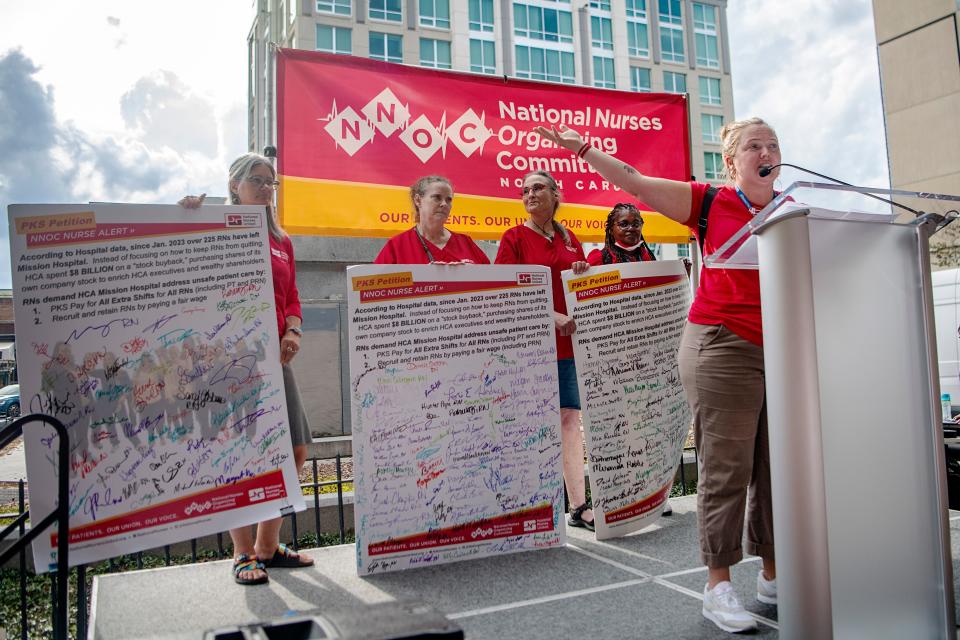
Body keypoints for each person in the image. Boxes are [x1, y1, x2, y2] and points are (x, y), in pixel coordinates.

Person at [536, 118, 779, 633]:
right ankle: (719, 586)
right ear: (732, 163)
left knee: (773, 467)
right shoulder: (711, 202)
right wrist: (582, 148)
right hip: (722, 345)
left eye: (773, 145)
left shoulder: (791, 210)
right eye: (754, 145)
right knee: (728, 467)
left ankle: (772, 577)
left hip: (780, 347)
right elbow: (636, 183)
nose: (767, 152)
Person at [180, 153, 315, 585]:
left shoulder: (282, 240)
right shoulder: (211, 227)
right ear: (234, 184)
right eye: (257, 180)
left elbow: (292, 294)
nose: (265, 188)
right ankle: (242, 554)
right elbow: (177, 261)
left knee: (294, 449)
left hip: (273, 358)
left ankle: (268, 547)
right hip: (226, 360)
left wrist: (293, 328)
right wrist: (185, 217)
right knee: (238, 453)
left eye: (271, 182)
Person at [494, 170, 594, 531]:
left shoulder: (571, 239)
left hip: (568, 346)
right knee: (531, 425)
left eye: (537, 188)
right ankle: (532, 506)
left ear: (555, 194)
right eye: (524, 190)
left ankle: (579, 506)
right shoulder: (514, 238)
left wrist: (581, 271)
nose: (529, 193)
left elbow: (576, 285)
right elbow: (506, 289)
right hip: (529, 348)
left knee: (569, 420)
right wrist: (549, 315)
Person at [374, 175, 489, 264]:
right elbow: (374, 288)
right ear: (418, 200)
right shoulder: (397, 246)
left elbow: (493, 283)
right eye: (437, 198)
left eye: (449, 200)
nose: (444, 204)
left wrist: (470, 273)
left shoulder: (466, 243)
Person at [586, 202, 656, 265]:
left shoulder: (648, 257)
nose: (631, 228)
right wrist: (580, 269)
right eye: (623, 224)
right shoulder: (599, 258)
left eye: (636, 224)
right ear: (611, 230)